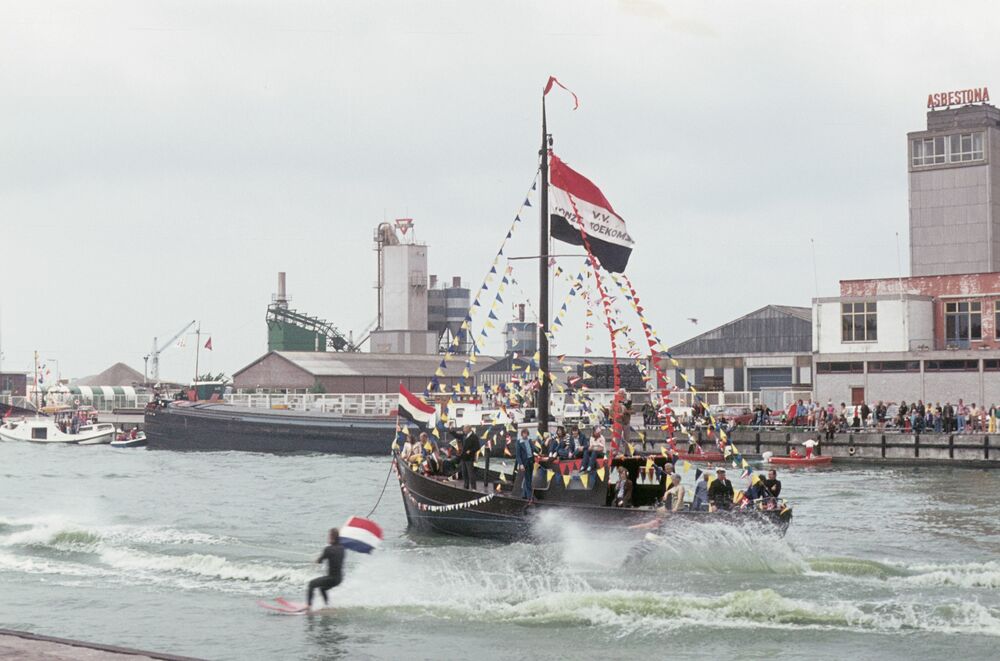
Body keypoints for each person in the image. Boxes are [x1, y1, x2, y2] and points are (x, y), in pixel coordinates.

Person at [307, 528, 345, 610]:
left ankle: (308, 606)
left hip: (332, 578)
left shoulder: (328, 549)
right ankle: (327, 606)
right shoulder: (342, 548)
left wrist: (316, 560)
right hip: (339, 579)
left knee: (311, 584)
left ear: (332, 537)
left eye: (329, 536)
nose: (328, 538)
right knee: (322, 588)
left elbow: (320, 561)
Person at [449, 425, 481, 489]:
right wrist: (452, 431)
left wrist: (470, 451)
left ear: (468, 429)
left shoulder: (474, 437)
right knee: (464, 473)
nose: (463, 430)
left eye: (464, 429)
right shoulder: (464, 435)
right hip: (463, 457)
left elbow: (477, 447)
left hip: (469, 458)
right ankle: (466, 486)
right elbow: (456, 435)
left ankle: (473, 488)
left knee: (471, 474)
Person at [514, 427, 536, 500]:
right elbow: (518, 455)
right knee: (527, 479)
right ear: (522, 434)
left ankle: (524, 494)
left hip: (531, 461)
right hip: (524, 462)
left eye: (526, 433)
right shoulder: (519, 442)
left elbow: (534, 449)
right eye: (524, 433)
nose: (525, 435)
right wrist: (521, 464)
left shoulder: (529, 441)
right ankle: (530, 496)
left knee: (529, 478)